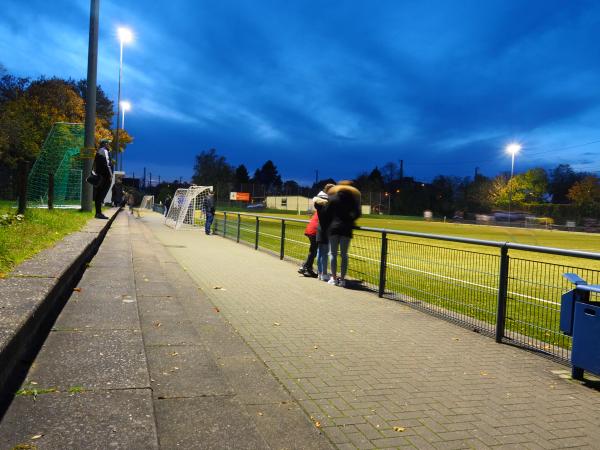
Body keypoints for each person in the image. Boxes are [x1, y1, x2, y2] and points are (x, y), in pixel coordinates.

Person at [327, 181, 361, 287]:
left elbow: (327, 212)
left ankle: (333, 278)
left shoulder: (333, 199)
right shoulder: (353, 200)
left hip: (334, 228)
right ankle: (342, 279)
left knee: (333, 253)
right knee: (344, 255)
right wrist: (350, 220)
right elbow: (358, 213)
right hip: (346, 229)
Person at [313, 183, 335, 281]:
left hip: (320, 229)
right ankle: (324, 274)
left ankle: (319, 273)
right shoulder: (328, 204)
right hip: (326, 230)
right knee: (325, 253)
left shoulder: (318, 203)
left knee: (320, 252)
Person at [93, 138, 113, 219]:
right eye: (108, 143)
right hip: (104, 176)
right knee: (101, 194)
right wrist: (110, 175)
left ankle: (98, 213)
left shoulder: (100, 151)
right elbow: (107, 164)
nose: (109, 145)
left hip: (100, 175)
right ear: (105, 144)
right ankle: (98, 213)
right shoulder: (103, 150)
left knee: (99, 194)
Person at [297, 211, 319, 277]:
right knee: (313, 251)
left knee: (313, 250)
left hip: (310, 230)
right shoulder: (325, 210)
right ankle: (307, 268)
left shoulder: (318, 210)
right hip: (315, 231)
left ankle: (305, 267)